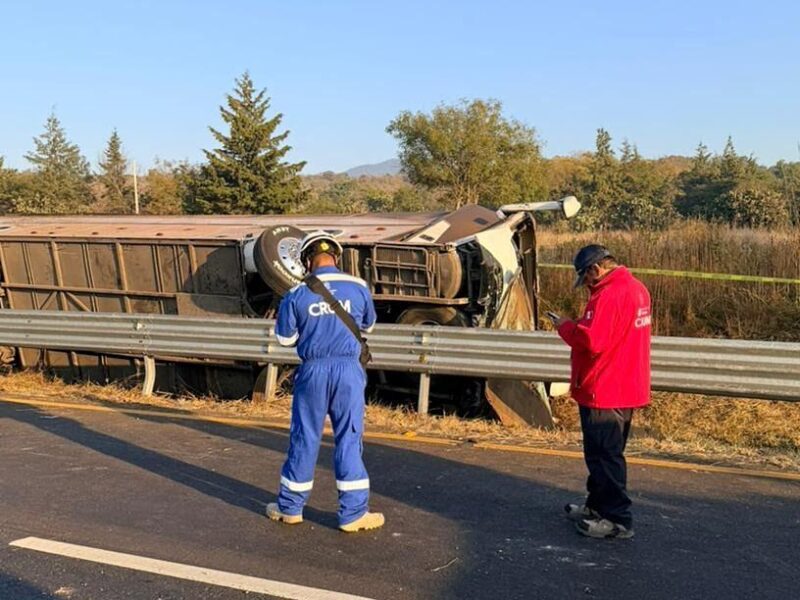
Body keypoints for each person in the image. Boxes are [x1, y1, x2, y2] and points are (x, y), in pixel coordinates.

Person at [267, 230, 385, 533]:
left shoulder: (295, 294)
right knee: (348, 436)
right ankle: (353, 514)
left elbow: (284, 339)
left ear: (307, 261)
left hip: (313, 372)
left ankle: (290, 508)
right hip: (348, 371)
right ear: (336, 256)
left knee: (305, 437)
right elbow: (368, 325)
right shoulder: (358, 286)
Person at [554, 244, 651, 539]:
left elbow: (592, 341)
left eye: (585, 278)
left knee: (604, 455)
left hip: (605, 386)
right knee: (604, 453)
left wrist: (565, 327)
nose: (585, 285)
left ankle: (617, 519)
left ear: (596, 270)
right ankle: (596, 505)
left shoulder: (608, 294)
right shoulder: (636, 288)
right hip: (624, 383)